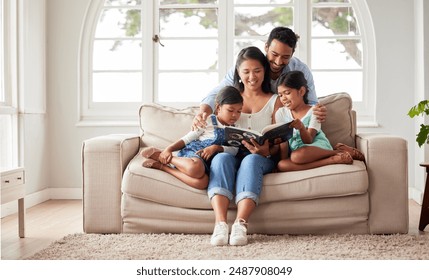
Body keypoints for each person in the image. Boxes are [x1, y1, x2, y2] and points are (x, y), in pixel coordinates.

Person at [208, 46, 283, 246]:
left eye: (257, 71)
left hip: (260, 158)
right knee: (221, 157)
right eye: (246, 71)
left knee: (250, 160)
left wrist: (268, 151)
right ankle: (221, 224)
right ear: (238, 73)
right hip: (230, 154)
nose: (252, 76)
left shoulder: (275, 101)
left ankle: (240, 224)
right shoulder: (229, 99)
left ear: (265, 71)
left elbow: (281, 143)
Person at [194, 26, 327, 130]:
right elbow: (215, 94)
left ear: (292, 53)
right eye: (274, 54)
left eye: (285, 57)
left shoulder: (300, 70)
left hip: (289, 122)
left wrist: (317, 111)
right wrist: (202, 114)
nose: (278, 61)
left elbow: (311, 103)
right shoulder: (250, 65)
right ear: (266, 47)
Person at [141, 86, 243, 190]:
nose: (235, 115)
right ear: (218, 108)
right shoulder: (207, 121)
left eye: (239, 111)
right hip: (193, 155)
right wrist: (169, 149)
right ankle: (163, 156)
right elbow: (187, 138)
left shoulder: (237, 129)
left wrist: (217, 148)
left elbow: (234, 150)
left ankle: (163, 167)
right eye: (230, 110)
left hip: (207, 164)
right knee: (196, 168)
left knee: (203, 183)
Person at [275, 71, 365, 172]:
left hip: (315, 148)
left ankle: (336, 151)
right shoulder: (281, 113)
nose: (283, 99)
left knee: (297, 156)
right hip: (299, 155)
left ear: (301, 91)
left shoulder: (315, 111)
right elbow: (283, 143)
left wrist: (301, 127)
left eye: (287, 93)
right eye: (280, 95)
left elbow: (308, 140)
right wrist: (283, 160)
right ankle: (332, 159)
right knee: (282, 165)